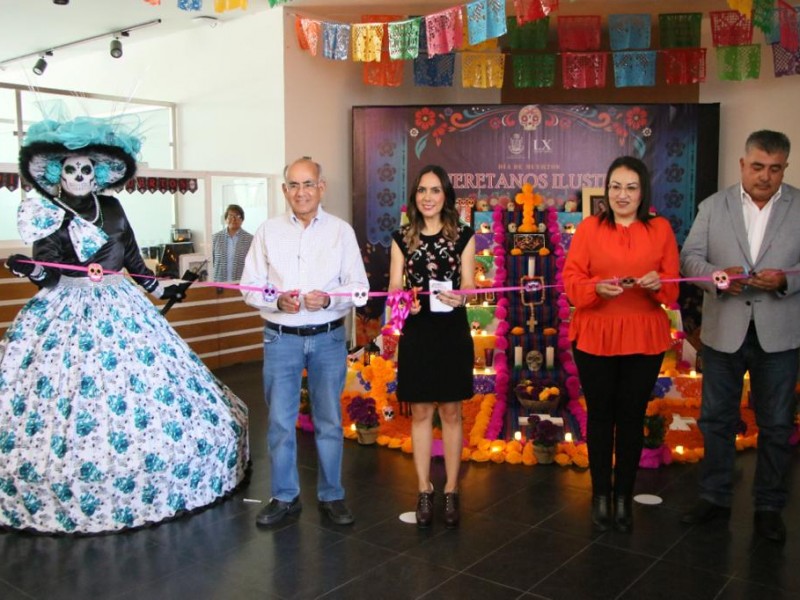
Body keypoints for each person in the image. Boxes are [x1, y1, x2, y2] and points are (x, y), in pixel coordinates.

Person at [0, 116, 249, 534]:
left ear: (96, 174)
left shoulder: (113, 207)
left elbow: (132, 256)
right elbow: (50, 270)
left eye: (85, 169)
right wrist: (32, 270)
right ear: (58, 173)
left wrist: (158, 288)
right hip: (67, 306)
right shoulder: (48, 214)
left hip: (120, 300)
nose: (79, 176)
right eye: (70, 169)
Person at [680, 130, 799, 543]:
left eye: (775, 168)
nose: (765, 176)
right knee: (716, 420)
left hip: (779, 336)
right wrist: (716, 278)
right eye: (757, 167)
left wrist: (786, 281)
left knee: (777, 424)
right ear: (742, 165)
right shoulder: (714, 206)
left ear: (785, 167)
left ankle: (768, 507)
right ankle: (714, 498)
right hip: (724, 332)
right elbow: (690, 257)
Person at [240, 157, 368, 527]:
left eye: (308, 184)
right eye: (293, 185)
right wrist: (274, 300)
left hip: (328, 338)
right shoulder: (268, 231)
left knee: (329, 420)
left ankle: (332, 496)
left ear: (321, 187)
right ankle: (284, 496)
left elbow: (357, 286)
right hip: (281, 338)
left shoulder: (341, 232)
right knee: (280, 421)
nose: (301, 192)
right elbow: (252, 285)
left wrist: (329, 299)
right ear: (284, 191)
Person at [563, 156, 679, 533]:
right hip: (595, 332)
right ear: (606, 190)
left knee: (631, 418)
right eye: (615, 187)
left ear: (643, 191)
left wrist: (656, 283)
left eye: (630, 187)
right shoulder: (589, 229)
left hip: (644, 336)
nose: (622, 195)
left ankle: (624, 498)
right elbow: (570, 281)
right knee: (600, 416)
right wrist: (594, 288)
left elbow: (674, 286)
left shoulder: (660, 229)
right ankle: (600, 495)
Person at [389, 164, 475, 529]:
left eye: (435, 190)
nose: (428, 197)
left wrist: (461, 297)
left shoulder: (464, 235)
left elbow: (471, 285)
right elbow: (393, 289)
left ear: (446, 196)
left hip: (452, 331)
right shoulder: (401, 237)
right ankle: (424, 489)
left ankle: (452, 489)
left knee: (452, 413)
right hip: (418, 333)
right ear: (415, 197)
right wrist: (406, 300)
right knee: (422, 412)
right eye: (422, 191)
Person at [211, 203, 253, 281]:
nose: (233, 219)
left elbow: (253, 264)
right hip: (219, 284)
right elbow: (211, 262)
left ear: (242, 219)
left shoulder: (250, 239)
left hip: (241, 283)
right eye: (230, 216)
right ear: (226, 219)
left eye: (237, 216)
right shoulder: (215, 238)